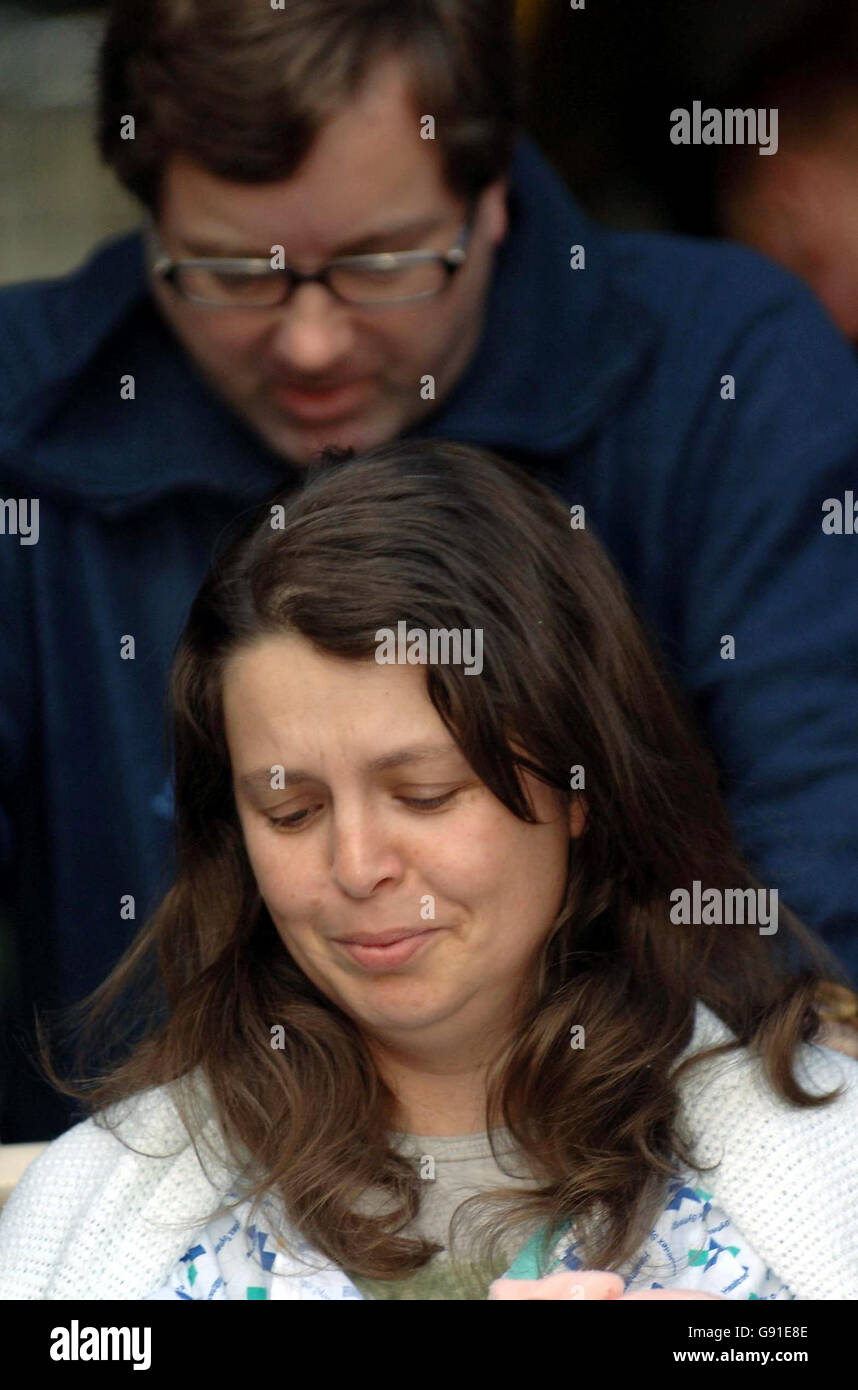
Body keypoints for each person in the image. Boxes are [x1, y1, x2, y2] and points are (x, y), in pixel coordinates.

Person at [3, 0, 858, 1146]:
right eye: (226, 272)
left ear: (495, 191)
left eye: (383, 263)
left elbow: (821, 869)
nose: (309, 341)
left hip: (649, 1168)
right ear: (145, 213)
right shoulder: (25, 410)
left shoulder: (726, 373)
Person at [0, 440, 856, 1302]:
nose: (357, 867)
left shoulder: (833, 1161)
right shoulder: (87, 1216)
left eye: (426, 794)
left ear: (579, 785)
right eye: (290, 811)